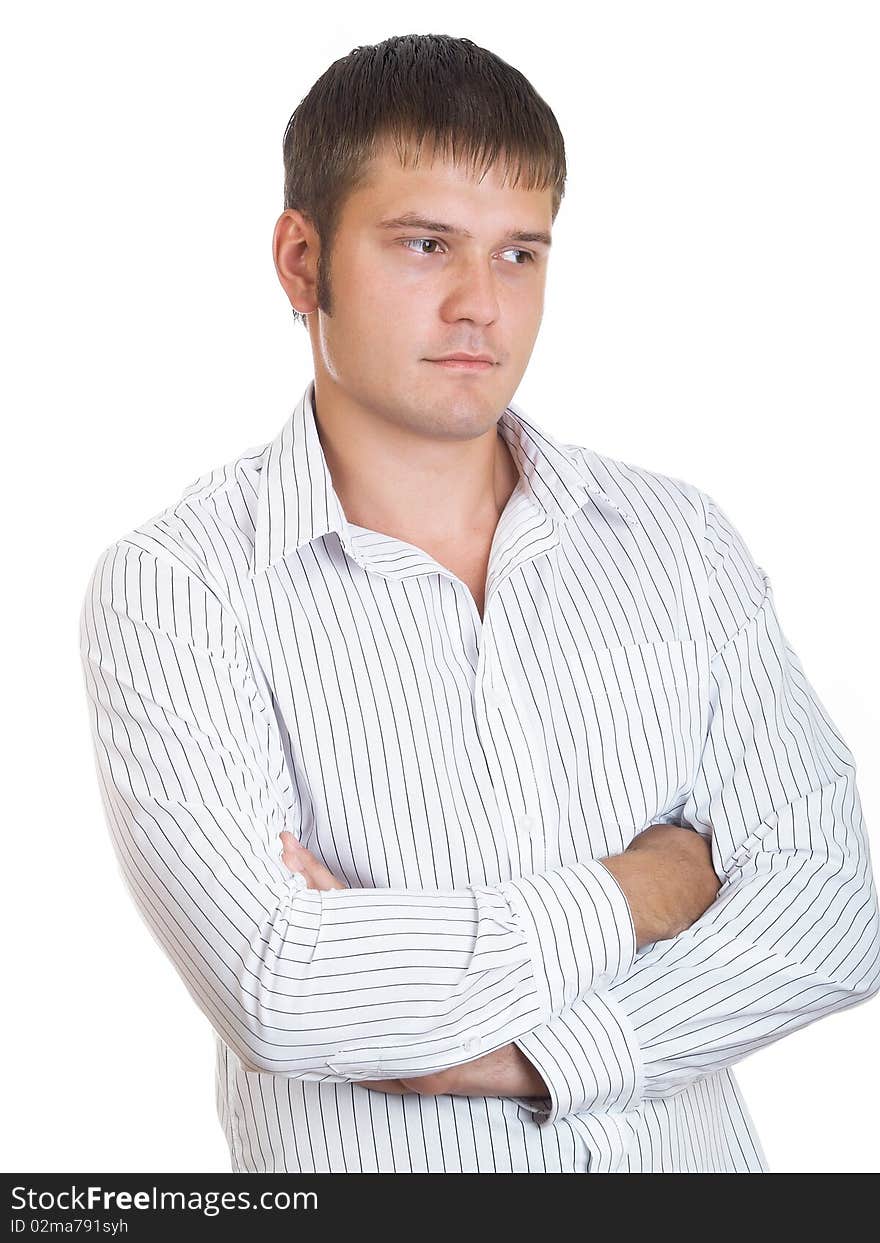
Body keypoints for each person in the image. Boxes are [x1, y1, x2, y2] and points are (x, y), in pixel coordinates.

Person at [78, 33, 880, 1174]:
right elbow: (281, 988)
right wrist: (636, 889)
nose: (479, 307)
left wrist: (528, 1055)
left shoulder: (677, 542)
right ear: (302, 262)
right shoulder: (181, 587)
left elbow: (832, 912)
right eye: (424, 245)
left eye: (518, 255)